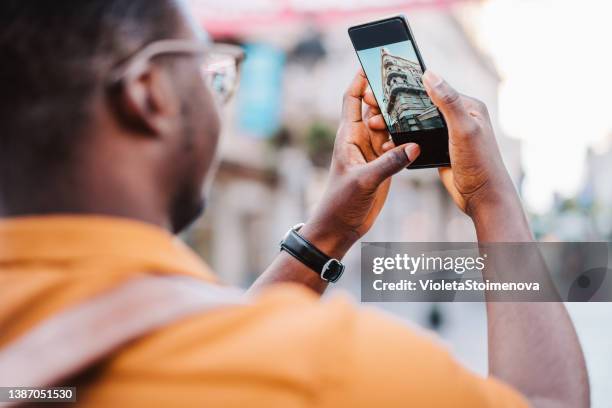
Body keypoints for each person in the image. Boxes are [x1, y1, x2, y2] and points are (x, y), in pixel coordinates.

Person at [0, 1, 588, 407]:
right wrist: (493, 201)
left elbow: (206, 348)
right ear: (149, 95)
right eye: (216, 75)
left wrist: (322, 239)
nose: (222, 97)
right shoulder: (323, 369)